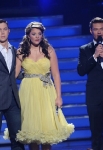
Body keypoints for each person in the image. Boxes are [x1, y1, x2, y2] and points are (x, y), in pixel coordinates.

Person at [15, 21, 74, 150]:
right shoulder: (21, 52)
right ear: (28, 35)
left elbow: (56, 75)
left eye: (39, 34)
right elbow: (14, 74)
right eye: (34, 34)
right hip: (28, 92)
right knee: (32, 132)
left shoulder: (49, 50)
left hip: (46, 91)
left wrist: (59, 96)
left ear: (42, 35)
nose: (37, 36)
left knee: (47, 132)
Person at [77, 17, 103, 150]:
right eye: (96, 29)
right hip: (94, 96)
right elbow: (81, 70)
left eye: (101, 29)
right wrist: (94, 56)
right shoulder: (85, 49)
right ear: (91, 31)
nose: (99, 32)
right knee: (96, 132)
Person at [0, 19, 24, 150]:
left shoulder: (15, 51)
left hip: (13, 100)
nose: (2, 32)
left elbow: (15, 73)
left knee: (18, 137)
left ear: (9, 31)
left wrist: (34, 74)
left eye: (4, 29)